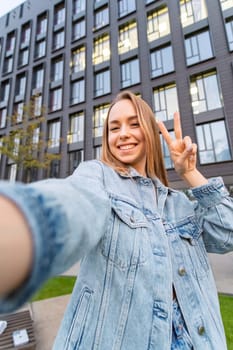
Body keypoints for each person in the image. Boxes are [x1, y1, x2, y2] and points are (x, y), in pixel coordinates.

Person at [0, 90, 232, 350]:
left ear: (149, 132)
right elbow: (73, 204)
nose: (123, 133)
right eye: (114, 127)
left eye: (134, 124)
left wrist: (190, 173)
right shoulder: (97, 176)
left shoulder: (180, 204)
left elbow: (228, 233)